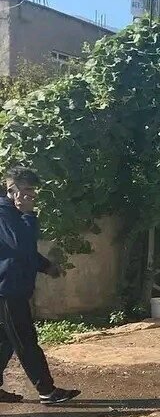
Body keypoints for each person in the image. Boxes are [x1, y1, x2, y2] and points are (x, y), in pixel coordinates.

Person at [0, 167, 80, 404]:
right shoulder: (5, 212)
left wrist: (46, 266)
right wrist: (28, 214)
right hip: (7, 289)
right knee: (26, 341)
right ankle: (47, 390)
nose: (30, 197)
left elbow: (23, 253)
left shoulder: (10, 211)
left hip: (12, 286)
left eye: (33, 192)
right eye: (26, 191)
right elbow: (21, 246)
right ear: (11, 190)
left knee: (5, 341)